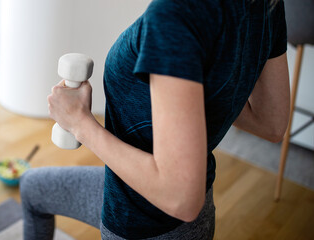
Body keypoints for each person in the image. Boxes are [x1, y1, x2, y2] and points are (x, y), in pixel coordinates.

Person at [20, 0, 289, 239]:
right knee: (33, 187)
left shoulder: (172, 15)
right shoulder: (266, 5)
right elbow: (271, 123)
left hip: (141, 222)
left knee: (33, 188)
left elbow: (181, 197)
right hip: (196, 215)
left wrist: (80, 123)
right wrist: (191, 97)